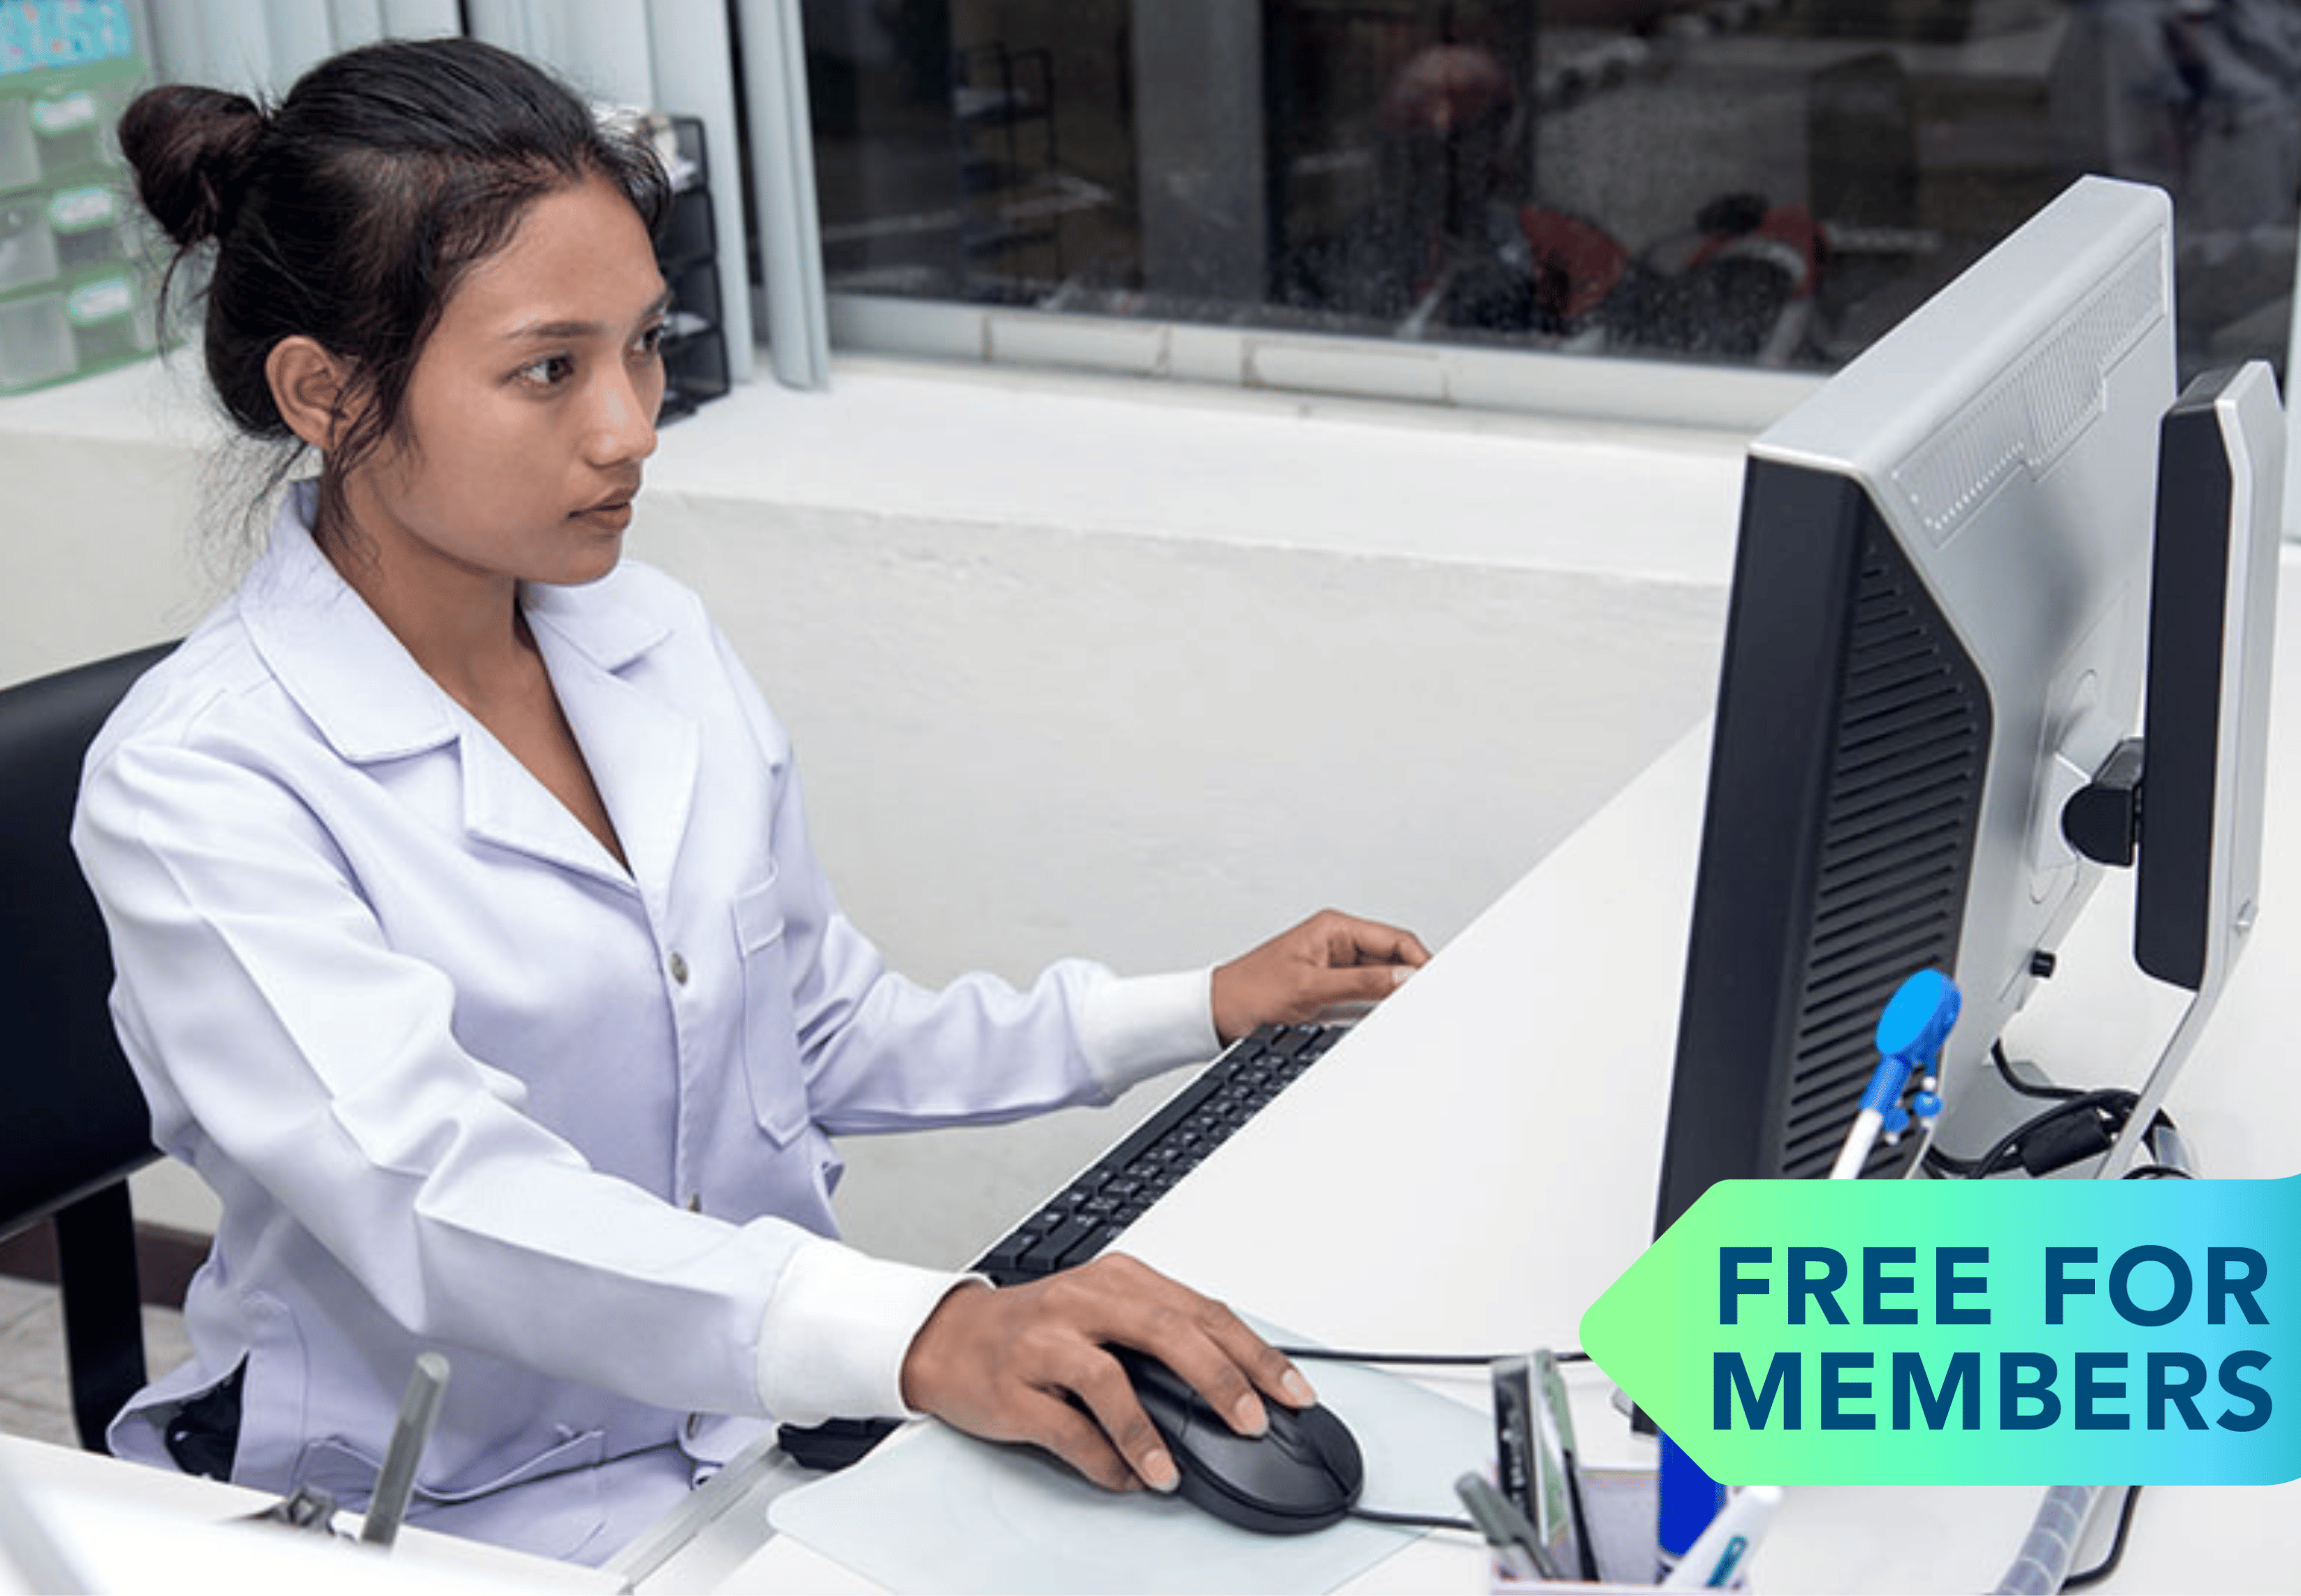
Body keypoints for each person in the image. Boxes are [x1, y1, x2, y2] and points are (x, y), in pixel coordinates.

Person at [77, 37, 1429, 1565]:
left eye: (645, 345)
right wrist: (925, 1331)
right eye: (549, 368)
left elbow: (819, 1030)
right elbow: (441, 1200)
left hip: (746, 1439)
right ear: (325, 391)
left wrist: (1194, 1004)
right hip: (442, 1505)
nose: (630, 425)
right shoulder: (199, 779)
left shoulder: (649, 640)